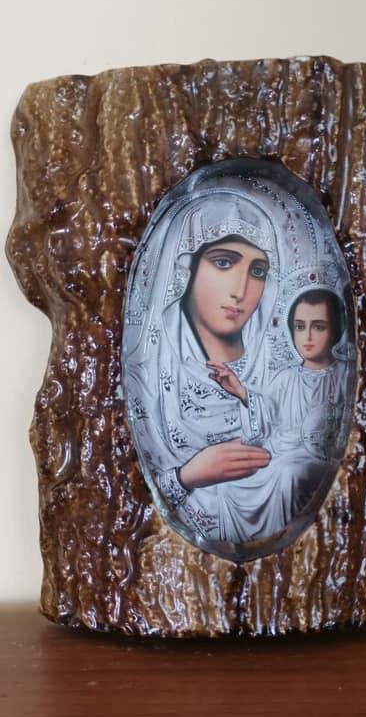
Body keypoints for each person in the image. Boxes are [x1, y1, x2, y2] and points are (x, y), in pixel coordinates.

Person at [123, 169, 352, 549]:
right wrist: (187, 477)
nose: (241, 290)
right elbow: (138, 489)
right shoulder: (148, 370)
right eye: (224, 262)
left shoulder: (280, 365)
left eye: (257, 271)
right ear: (188, 267)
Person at [207, 286, 353, 527]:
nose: (307, 336)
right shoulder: (286, 378)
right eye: (300, 327)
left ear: (335, 331)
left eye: (318, 327)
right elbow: (267, 417)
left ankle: (288, 540)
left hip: (314, 459)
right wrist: (240, 391)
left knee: (288, 475)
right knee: (226, 486)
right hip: (278, 454)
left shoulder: (344, 374)